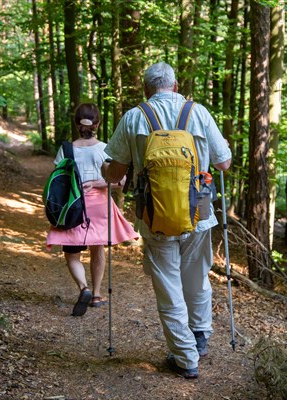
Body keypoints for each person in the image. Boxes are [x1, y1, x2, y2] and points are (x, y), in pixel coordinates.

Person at [101, 62, 232, 379]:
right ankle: (199, 336)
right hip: (198, 213)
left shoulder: (135, 117)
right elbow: (224, 162)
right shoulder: (197, 112)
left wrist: (108, 172)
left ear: (146, 90)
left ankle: (186, 357)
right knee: (197, 277)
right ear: (175, 86)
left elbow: (116, 172)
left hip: (154, 214)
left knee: (168, 285)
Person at [47, 103, 138, 317]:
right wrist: (98, 183)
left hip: (73, 206)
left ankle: (83, 288)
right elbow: (122, 182)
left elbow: (58, 181)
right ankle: (96, 295)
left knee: (71, 252)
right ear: (97, 124)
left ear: (77, 123)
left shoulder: (66, 149)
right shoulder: (106, 149)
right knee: (99, 250)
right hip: (100, 206)